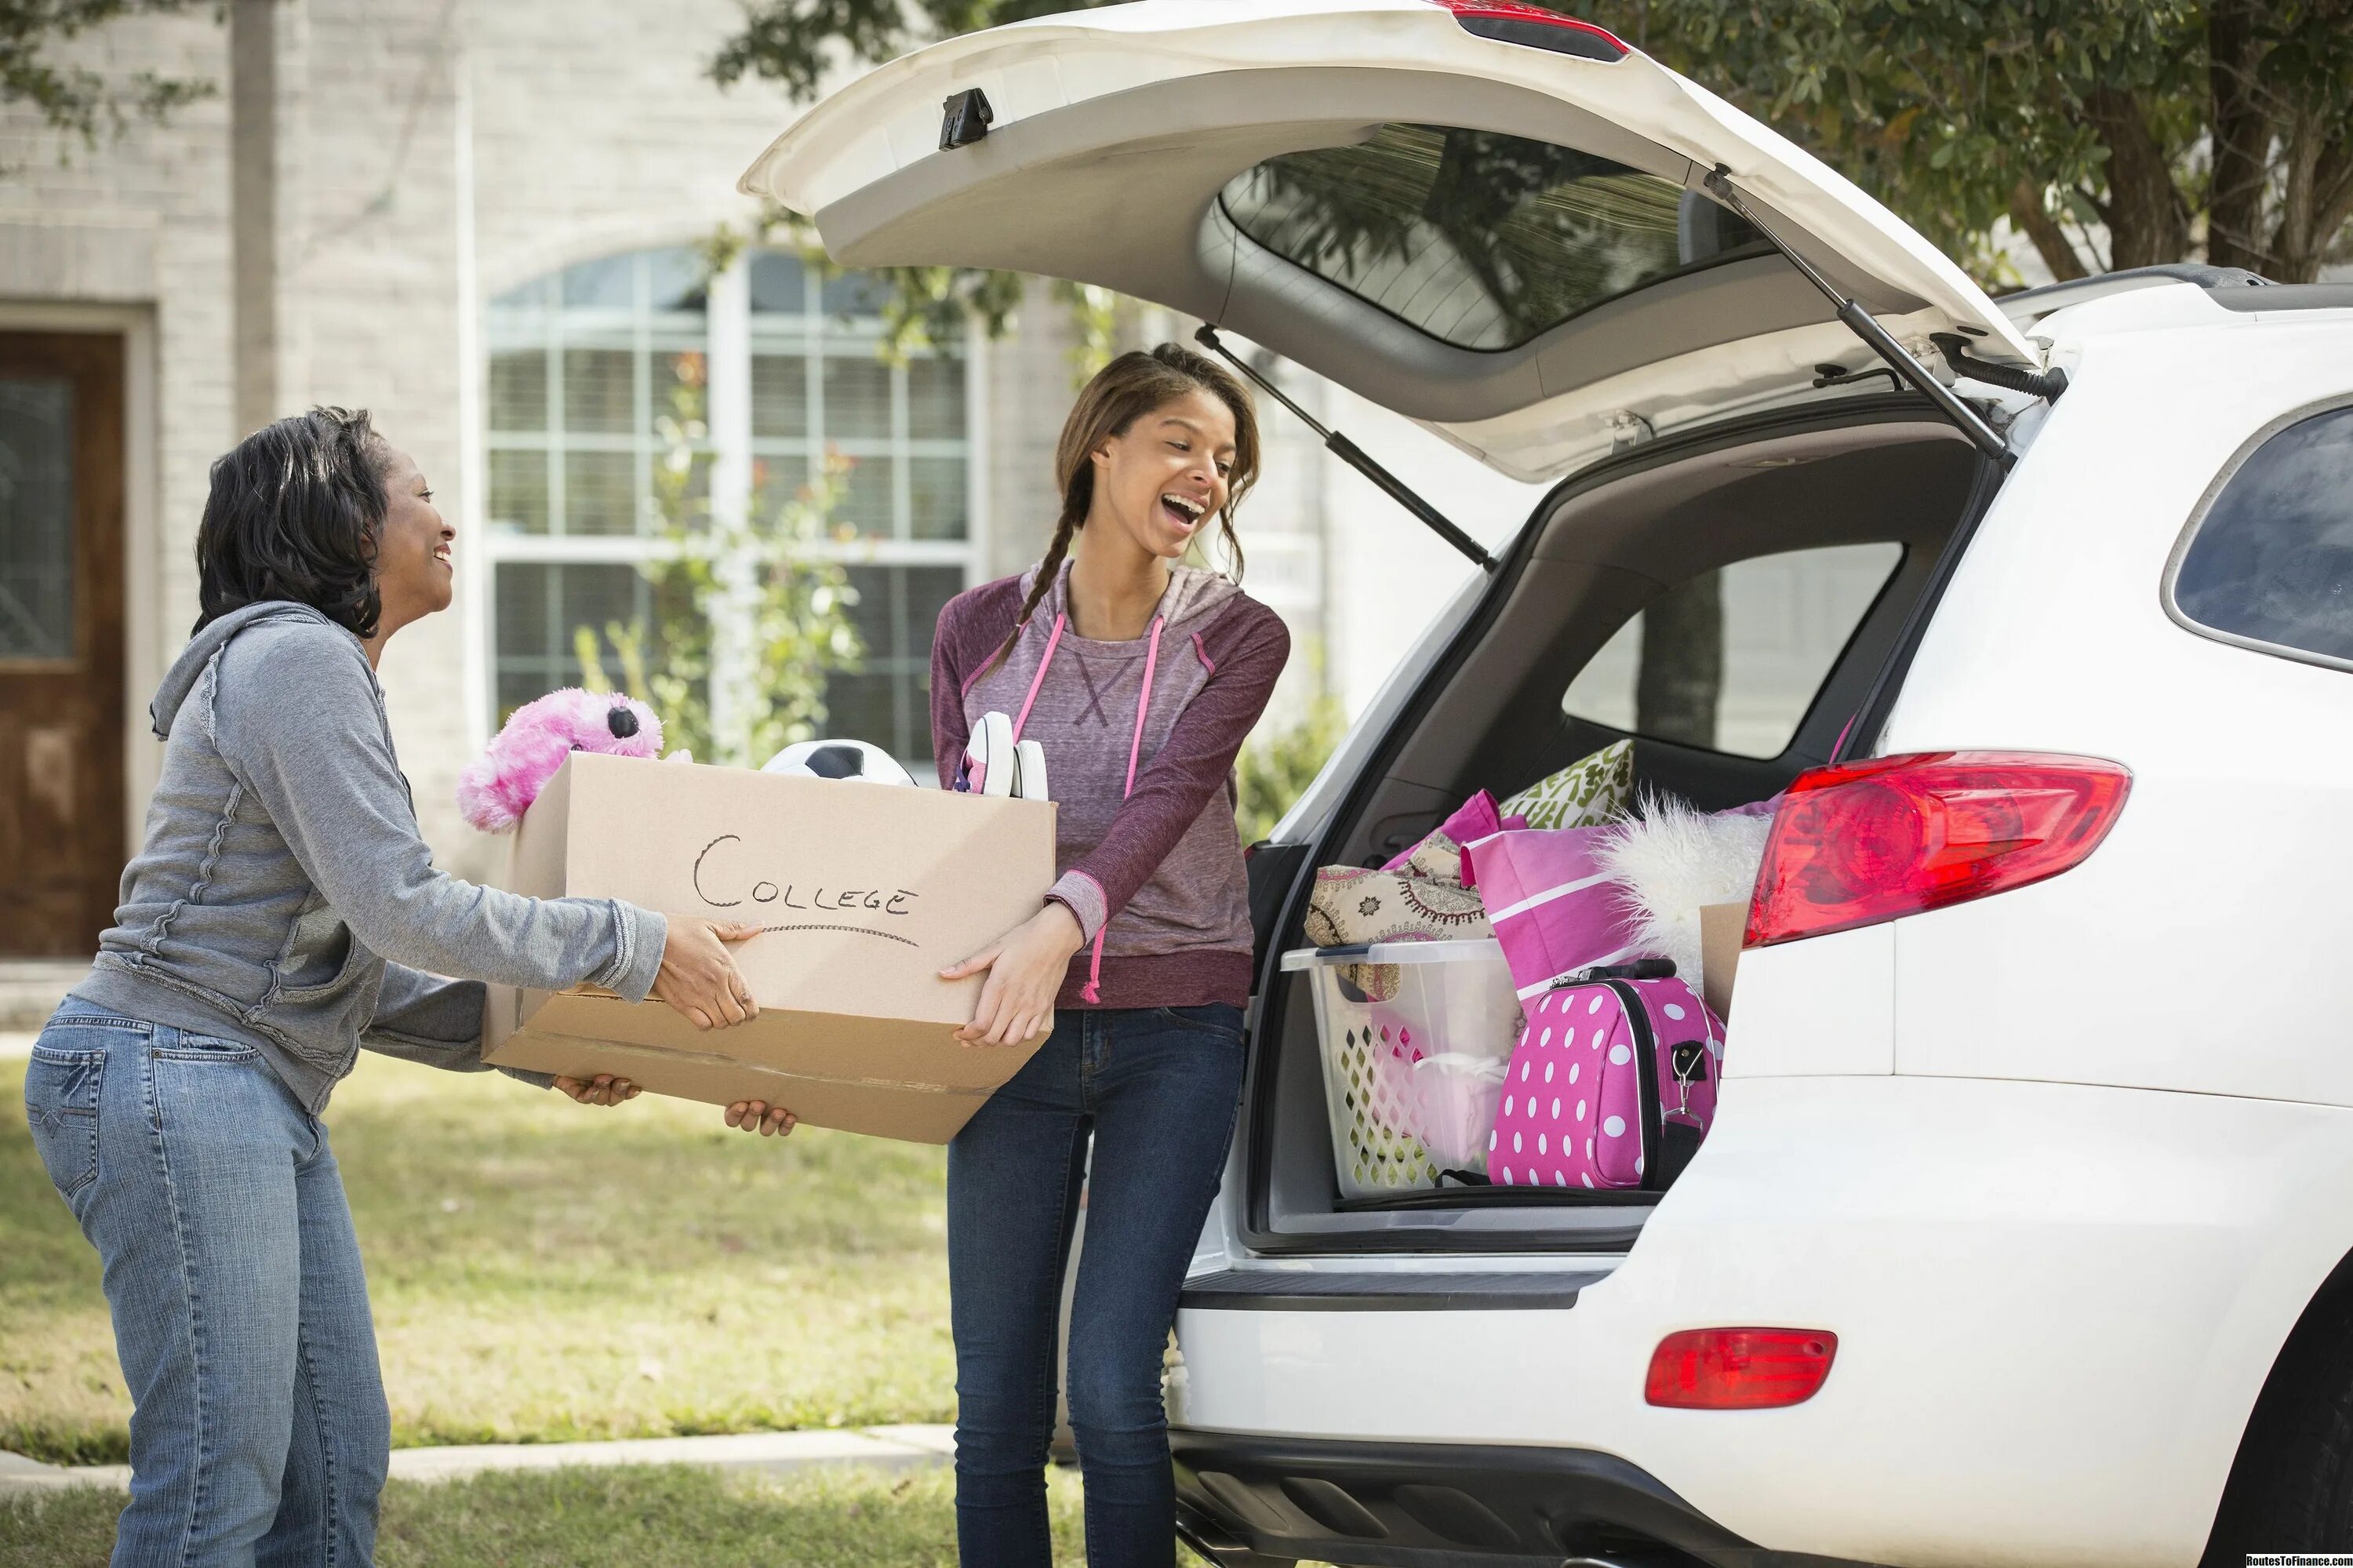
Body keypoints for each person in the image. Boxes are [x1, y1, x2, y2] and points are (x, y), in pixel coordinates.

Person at [19, 407, 784, 1568]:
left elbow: (344, 967)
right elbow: (403, 904)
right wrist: (634, 944)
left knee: (331, 1468)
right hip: (173, 1069)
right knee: (215, 1485)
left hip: (242, 1079)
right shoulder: (297, 662)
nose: (449, 519)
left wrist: (529, 1047)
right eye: (419, 493)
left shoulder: (315, 673)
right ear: (344, 520)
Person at [751, 343, 1289, 1567]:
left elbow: (1165, 803)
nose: (1209, 475)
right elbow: (956, 847)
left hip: (1176, 1035)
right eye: (1182, 444)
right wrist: (795, 1046)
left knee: (1108, 1383)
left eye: (1227, 461)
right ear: (1102, 445)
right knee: (994, 1407)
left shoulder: (1238, 637)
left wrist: (1059, 925)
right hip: (1008, 1036)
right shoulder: (977, 631)